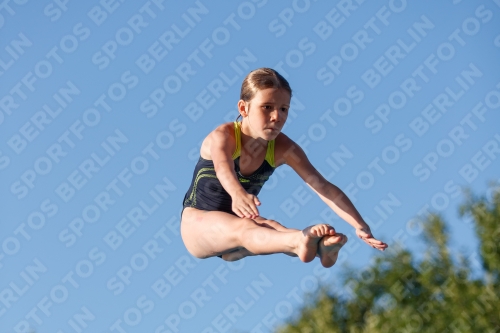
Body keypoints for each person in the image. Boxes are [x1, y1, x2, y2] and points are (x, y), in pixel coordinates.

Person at [181, 68, 387, 267]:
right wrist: (237, 193)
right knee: (248, 227)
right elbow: (223, 167)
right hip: (198, 225)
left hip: (236, 238)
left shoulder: (284, 148)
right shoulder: (224, 136)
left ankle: (322, 249)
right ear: (244, 108)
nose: (276, 117)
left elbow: (322, 187)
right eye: (267, 107)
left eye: (283, 109)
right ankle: (300, 241)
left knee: (275, 228)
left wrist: (360, 225)